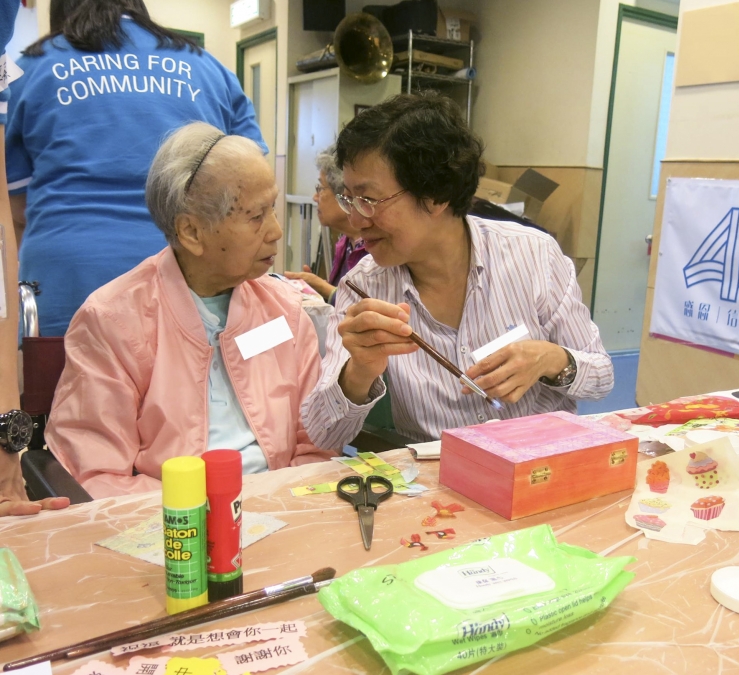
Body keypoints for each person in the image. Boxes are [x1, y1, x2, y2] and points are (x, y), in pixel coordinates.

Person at [301, 93, 614, 446]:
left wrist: (550, 359)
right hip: (441, 485)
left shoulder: (533, 255)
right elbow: (323, 436)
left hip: (539, 465)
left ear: (435, 194)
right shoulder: (362, 288)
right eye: (350, 198)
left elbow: (601, 376)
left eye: (369, 200)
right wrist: (359, 371)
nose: (356, 219)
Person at [47, 122, 336, 499]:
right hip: (171, 527)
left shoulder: (285, 310)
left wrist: (282, 509)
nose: (276, 232)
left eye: (273, 210)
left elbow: (314, 444)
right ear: (192, 233)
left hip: (280, 509)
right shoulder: (113, 321)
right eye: (255, 216)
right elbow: (96, 473)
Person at [5, 0, 266, 337]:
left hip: (69, 283)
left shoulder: (32, 69)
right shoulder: (208, 68)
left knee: (65, 388)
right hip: (188, 277)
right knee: (188, 385)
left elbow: (15, 206)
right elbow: (252, 185)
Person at [0, 0, 68, 516]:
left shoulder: (31, 71)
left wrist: (8, 448)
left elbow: (11, 220)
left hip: (51, 287)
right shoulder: (204, 69)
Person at [285, 147, 367, 304]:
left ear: (345, 195)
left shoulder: (373, 250)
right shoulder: (345, 243)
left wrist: (323, 287)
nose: (315, 198)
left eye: (321, 188)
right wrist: (313, 290)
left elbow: (365, 307)